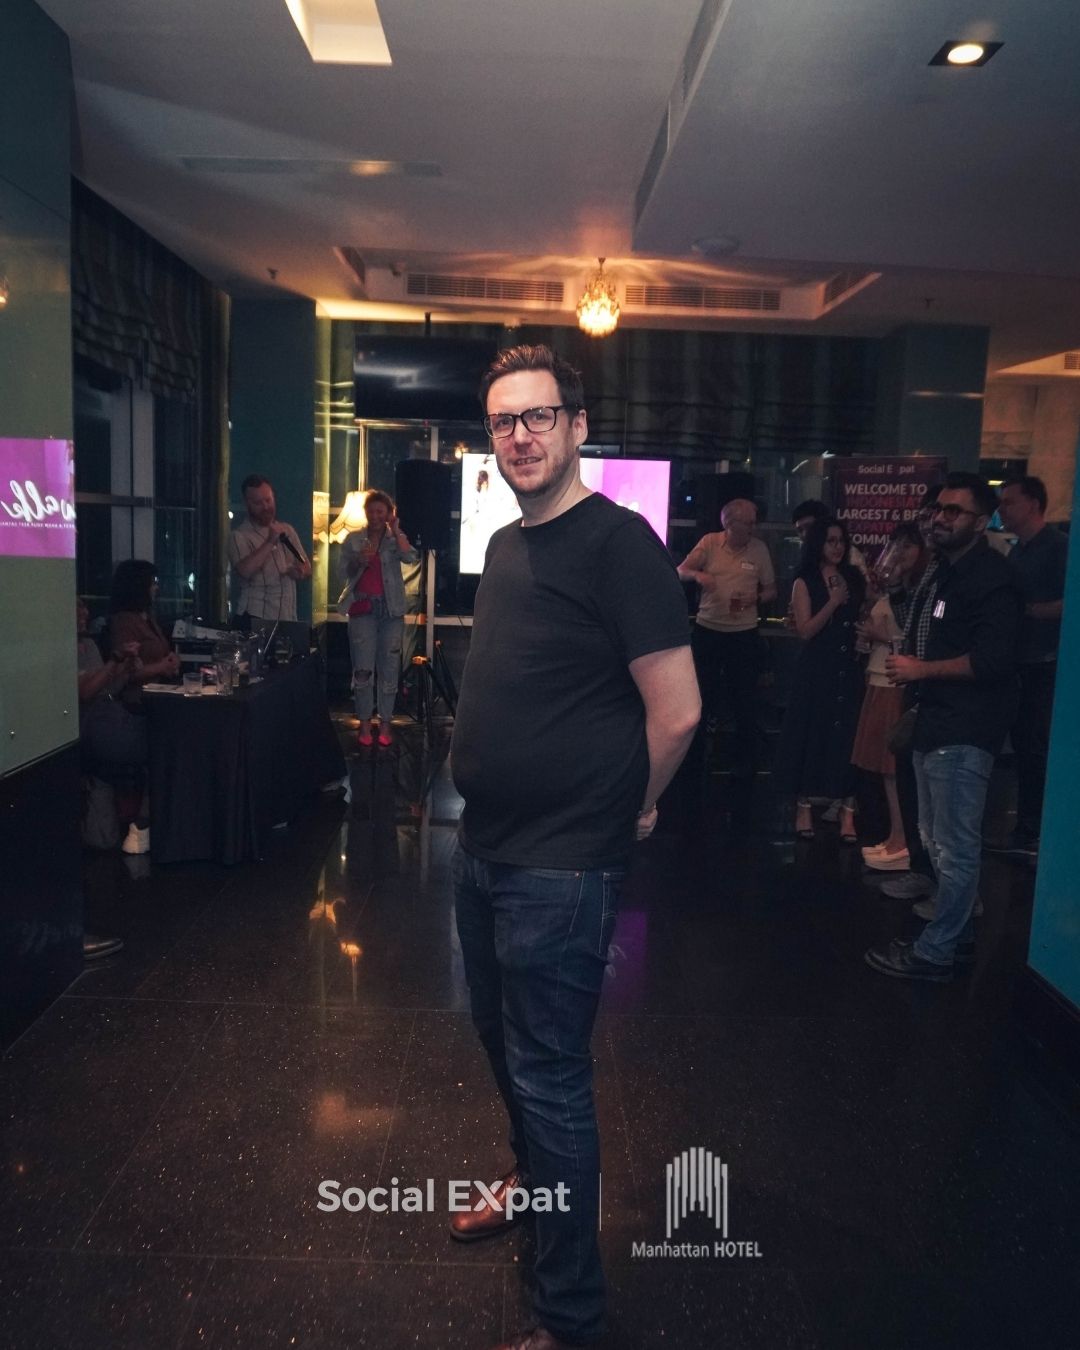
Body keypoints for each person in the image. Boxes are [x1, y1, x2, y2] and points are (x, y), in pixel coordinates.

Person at [450, 344, 700, 1350]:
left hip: (560, 866)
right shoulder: (507, 544)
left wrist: (632, 810)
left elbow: (677, 712)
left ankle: (570, 1317)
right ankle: (530, 1178)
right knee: (503, 1047)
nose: (521, 435)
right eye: (504, 421)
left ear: (578, 425)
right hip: (483, 848)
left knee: (551, 1078)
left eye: (539, 416)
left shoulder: (620, 545)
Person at [866, 472, 1022, 982]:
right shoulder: (946, 572)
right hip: (935, 721)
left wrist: (922, 670)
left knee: (954, 845)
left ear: (980, 521)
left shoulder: (992, 579)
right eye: (937, 509)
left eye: (953, 511)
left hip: (966, 728)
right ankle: (957, 938)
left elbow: (994, 661)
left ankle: (937, 952)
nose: (939, 518)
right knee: (934, 839)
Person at [773, 517, 866, 841]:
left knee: (848, 736)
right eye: (830, 541)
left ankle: (847, 810)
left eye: (841, 541)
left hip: (848, 665)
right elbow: (805, 630)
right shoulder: (805, 580)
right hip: (816, 666)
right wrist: (833, 602)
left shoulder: (854, 577)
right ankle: (804, 806)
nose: (837, 547)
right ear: (818, 544)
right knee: (809, 732)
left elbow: (862, 614)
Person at [993, 474, 1069, 860]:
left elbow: (1071, 602)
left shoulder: (1058, 547)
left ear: (1033, 504)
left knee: (1035, 747)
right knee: (1024, 745)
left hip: (1045, 662)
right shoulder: (1017, 551)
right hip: (1020, 660)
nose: (1002, 509)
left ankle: (1035, 830)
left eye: (1009, 502)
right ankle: (1026, 827)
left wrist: (1030, 611)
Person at [677, 497, 776, 778]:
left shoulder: (759, 549)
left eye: (754, 522)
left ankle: (745, 764)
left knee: (744, 699)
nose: (753, 528)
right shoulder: (710, 543)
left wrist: (755, 598)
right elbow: (680, 571)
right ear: (730, 524)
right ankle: (694, 761)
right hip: (708, 630)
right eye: (748, 523)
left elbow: (771, 591)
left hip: (743, 634)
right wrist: (699, 576)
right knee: (702, 697)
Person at [852, 523, 928, 869]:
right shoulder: (899, 585)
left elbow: (911, 638)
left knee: (893, 767)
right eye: (896, 544)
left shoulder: (920, 588)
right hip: (880, 675)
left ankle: (903, 841)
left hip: (896, 682)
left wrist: (881, 636)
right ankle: (897, 837)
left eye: (908, 545)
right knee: (887, 770)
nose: (899, 552)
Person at [337, 490, 418, 748]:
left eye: (380, 511)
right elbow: (342, 572)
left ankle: (385, 723)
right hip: (363, 608)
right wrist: (357, 561)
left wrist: (397, 530)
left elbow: (411, 557)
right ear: (366, 513)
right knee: (362, 670)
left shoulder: (394, 539)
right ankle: (363, 723)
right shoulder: (353, 539)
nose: (375, 516)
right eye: (371, 511)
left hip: (391, 611)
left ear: (388, 514)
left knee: (389, 668)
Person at [106, 561, 177, 854]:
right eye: (152, 582)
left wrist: (169, 664)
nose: (156, 588)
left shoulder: (147, 618)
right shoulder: (124, 621)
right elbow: (127, 673)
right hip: (137, 703)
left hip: (158, 696)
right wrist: (162, 666)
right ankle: (144, 821)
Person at [226, 474, 311, 624]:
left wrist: (300, 571)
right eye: (258, 503)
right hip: (255, 617)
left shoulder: (287, 530)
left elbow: (307, 566)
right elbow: (245, 571)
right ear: (247, 504)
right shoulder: (239, 536)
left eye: (268, 500)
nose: (265, 507)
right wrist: (270, 541)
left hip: (286, 617)